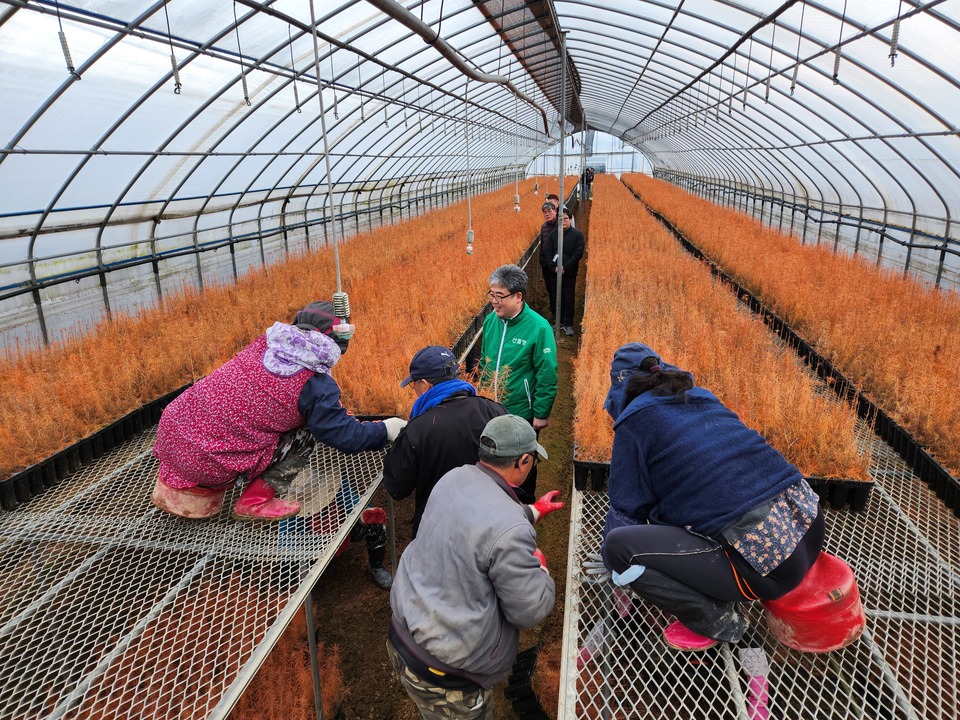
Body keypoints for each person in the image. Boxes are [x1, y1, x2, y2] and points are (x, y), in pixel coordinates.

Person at [151, 300, 408, 583]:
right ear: (334, 341)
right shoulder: (314, 384)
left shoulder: (266, 344)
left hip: (170, 433)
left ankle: (179, 481)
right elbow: (345, 436)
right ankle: (255, 500)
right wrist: (388, 428)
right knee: (308, 432)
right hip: (208, 462)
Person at [598, 343, 825, 651]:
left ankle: (716, 618)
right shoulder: (703, 399)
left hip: (764, 571)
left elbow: (626, 512)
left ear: (621, 389)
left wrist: (615, 568)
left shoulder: (634, 423)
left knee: (618, 549)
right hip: (808, 529)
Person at [387, 415, 558, 719]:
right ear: (523, 461)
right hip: (447, 675)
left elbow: (480, 519)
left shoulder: (454, 478)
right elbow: (530, 610)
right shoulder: (509, 531)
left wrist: (532, 511)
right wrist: (541, 570)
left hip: (405, 634)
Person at [383, 345, 506, 538]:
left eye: (413, 384)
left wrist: (397, 441)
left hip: (439, 531)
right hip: (491, 522)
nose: (414, 390)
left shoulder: (418, 429)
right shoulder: (495, 411)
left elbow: (397, 487)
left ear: (424, 385)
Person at [478, 264, 558, 502]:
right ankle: (494, 502)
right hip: (491, 407)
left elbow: (547, 373)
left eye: (499, 296)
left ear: (518, 296)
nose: (494, 301)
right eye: (491, 294)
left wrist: (541, 413)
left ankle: (524, 504)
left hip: (521, 410)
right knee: (492, 460)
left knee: (522, 462)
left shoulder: (538, 327)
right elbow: (485, 360)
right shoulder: (491, 321)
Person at [543, 206, 585, 336]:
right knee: (556, 296)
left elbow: (578, 254)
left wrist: (565, 267)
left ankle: (568, 323)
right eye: (561, 219)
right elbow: (547, 252)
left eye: (566, 219)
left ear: (570, 219)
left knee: (568, 297)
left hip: (569, 273)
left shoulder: (577, 235)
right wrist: (553, 267)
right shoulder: (553, 235)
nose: (564, 222)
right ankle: (558, 321)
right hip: (554, 273)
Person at [538, 201, 559, 313]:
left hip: (556, 263)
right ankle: (553, 312)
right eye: (544, 212)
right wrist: (541, 259)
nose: (547, 214)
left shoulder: (560, 226)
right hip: (546, 263)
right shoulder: (544, 227)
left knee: (557, 289)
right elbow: (543, 244)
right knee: (550, 289)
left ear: (555, 211)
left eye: (549, 211)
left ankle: (560, 314)